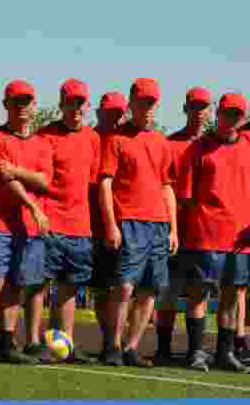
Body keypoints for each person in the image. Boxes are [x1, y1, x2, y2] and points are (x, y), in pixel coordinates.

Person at [99, 78, 177, 368]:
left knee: (150, 290)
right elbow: (105, 183)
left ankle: (131, 348)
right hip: (130, 222)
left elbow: (167, 186)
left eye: (152, 102)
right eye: (143, 102)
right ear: (131, 103)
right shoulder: (116, 139)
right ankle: (113, 347)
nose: (148, 107)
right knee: (124, 287)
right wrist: (111, 224)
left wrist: (173, 228)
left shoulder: (162, 142)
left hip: (159, 225)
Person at [0, 80, 51, 366]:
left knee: (17, 286)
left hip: (29, 228)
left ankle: (7, 343)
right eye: (16, 101)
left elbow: (44, 181)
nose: (22, 106)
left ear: (34, 106)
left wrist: (16, 170)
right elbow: (4, 180)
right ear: (6, 104)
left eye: (26, 101)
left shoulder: (42, 143)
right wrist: (32, 205)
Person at [175, 93, 250, 372]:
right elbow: (184, 197)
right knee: (199, 295)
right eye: (227, 113)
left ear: (243, 118)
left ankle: (225, 353)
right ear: (218, 113)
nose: (231, 119)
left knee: (231, 297)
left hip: (240, 241)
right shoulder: (197, 149)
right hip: (204, 236)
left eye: (237, 114)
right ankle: (196, 352)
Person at [30, 79, 100, 363]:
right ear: (61, 105)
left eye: (81, 103)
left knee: (71, 286)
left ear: (87, 105)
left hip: (80, 225)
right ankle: (34, 343)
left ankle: (66, 344)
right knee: (40, 284)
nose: (76, 108)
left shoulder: (93, 139)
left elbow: (91, 183)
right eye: (71, 102)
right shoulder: (45, 136)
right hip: (50, 222)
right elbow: (38, 181)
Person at [156, 87, 211, 368]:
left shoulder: (215, 145)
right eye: (194, 107)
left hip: (206, 233)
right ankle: (163, 350)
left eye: (204, 107)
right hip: (174, 230)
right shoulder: (170, 144)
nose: (199, 112)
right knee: (168, 292)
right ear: (185, 108)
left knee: (198, 292)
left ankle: (195, 352)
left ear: (210, 111)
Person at [89, 92, 127, 360]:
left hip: (122, 225)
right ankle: (108, 341)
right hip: (90, 224)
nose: (116, 118)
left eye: (119, 113)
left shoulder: (126, 140)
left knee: (122, 287)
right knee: (101, 288)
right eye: (110, 113)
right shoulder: (89, 138)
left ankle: (116, 343)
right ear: (98, 113)